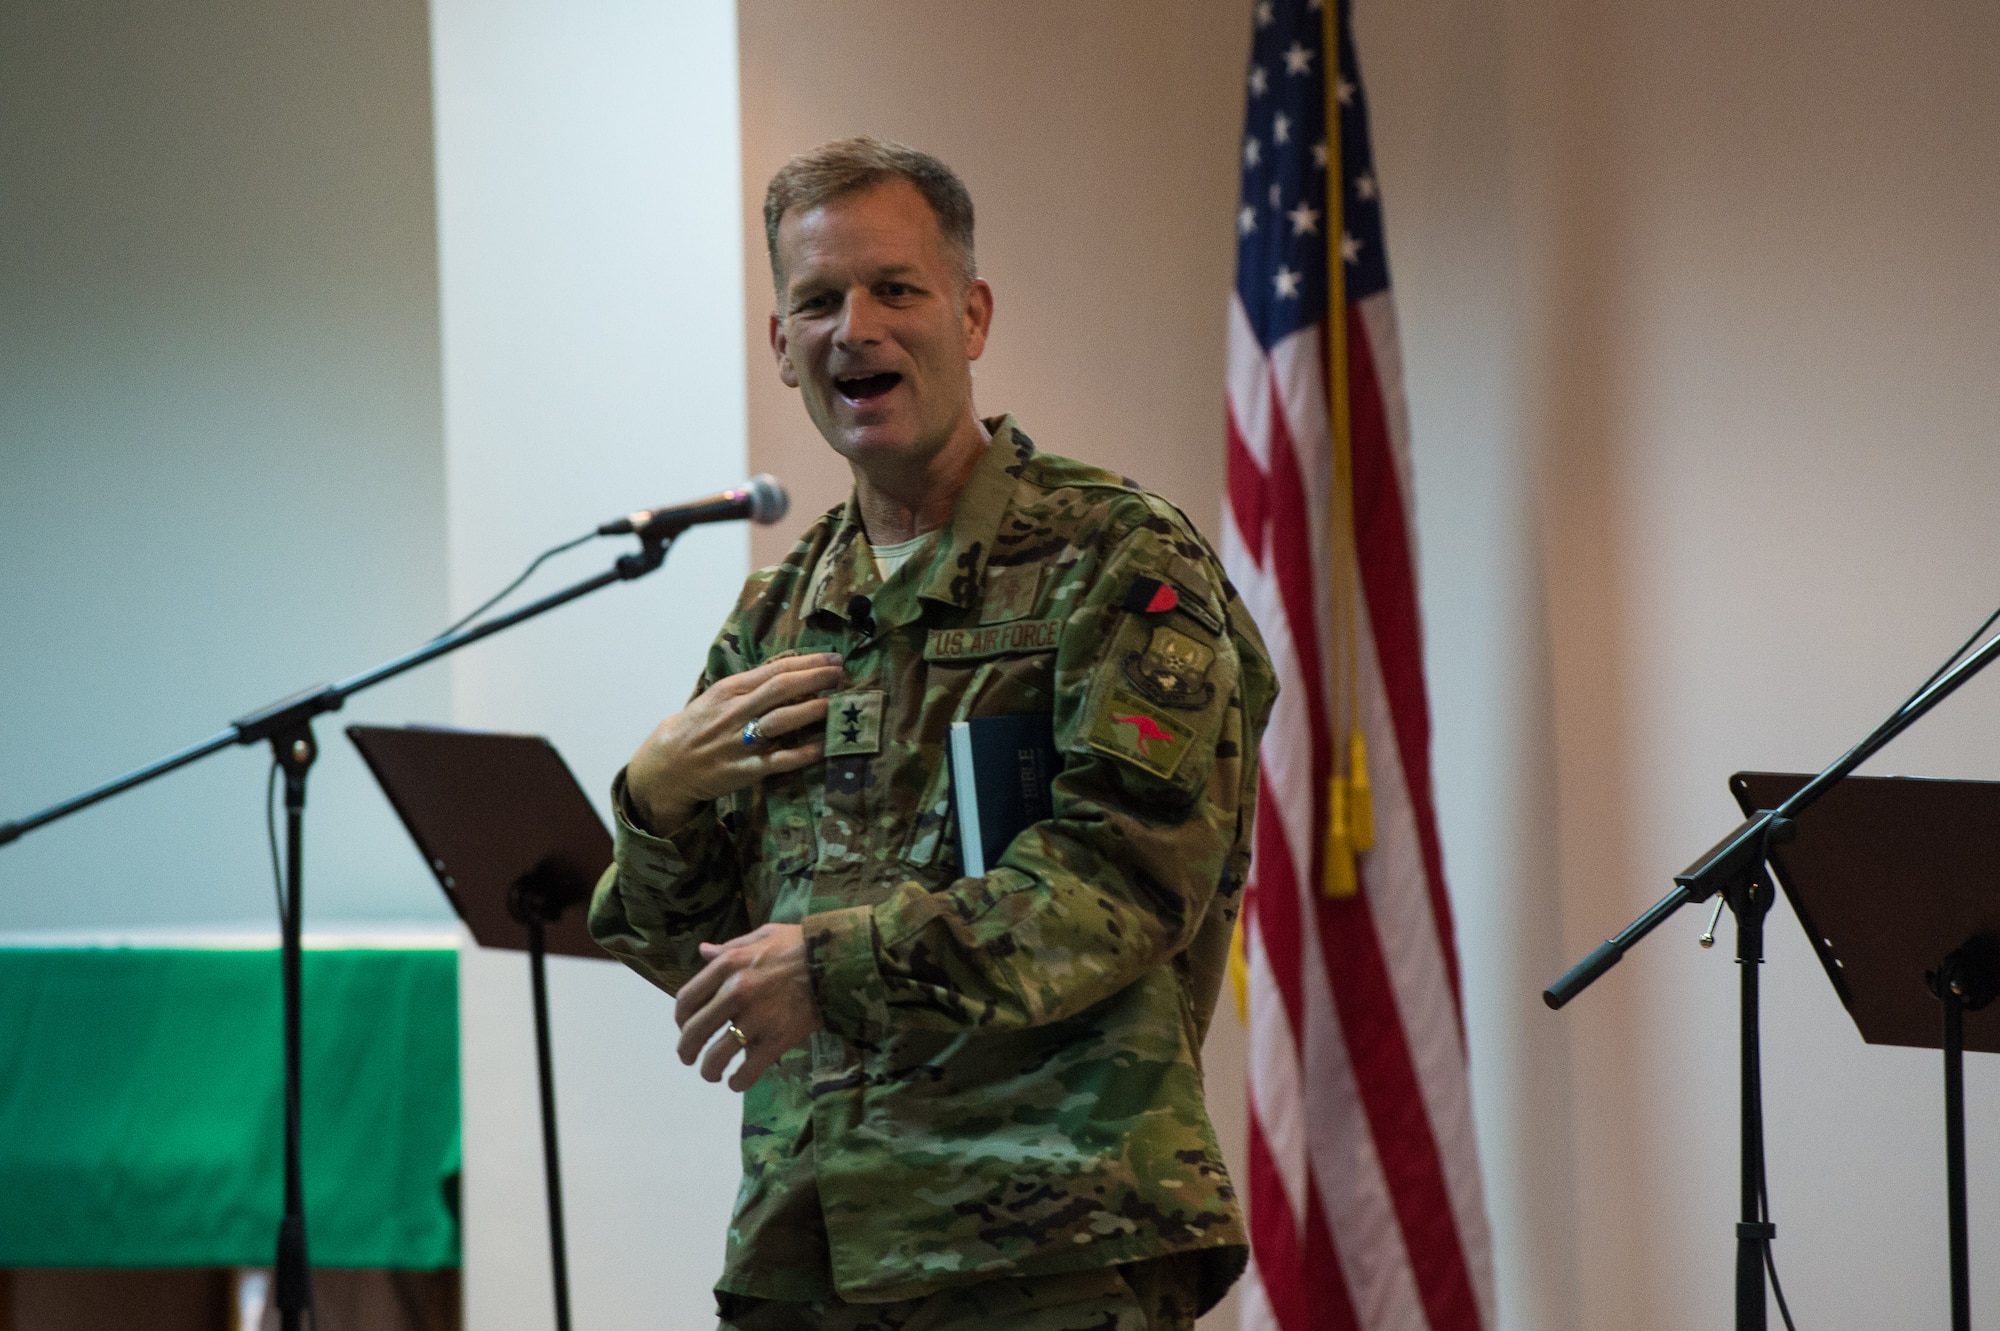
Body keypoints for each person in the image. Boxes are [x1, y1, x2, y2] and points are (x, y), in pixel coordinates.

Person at [589, 136, 1277, 1331]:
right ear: (779, 345)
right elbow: (701, 963)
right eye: (816, 299)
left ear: (970, 315)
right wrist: (652, 802)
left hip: (1047, 1243)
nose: (854, 326)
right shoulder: (780, 609)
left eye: (894, 289)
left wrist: (834, 966)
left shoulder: (1113, 558)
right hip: (807, 1248)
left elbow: (1124, 878)